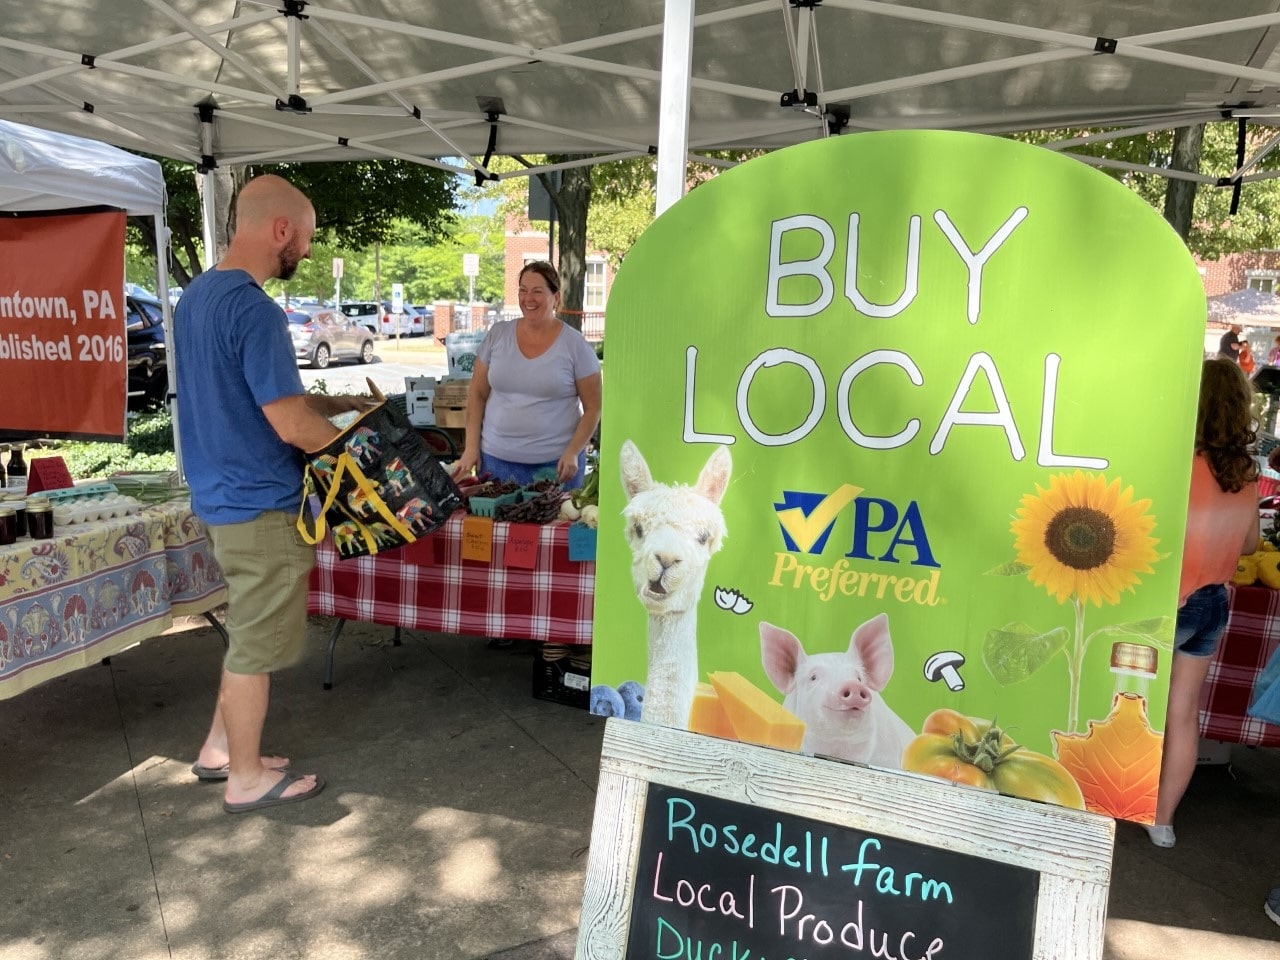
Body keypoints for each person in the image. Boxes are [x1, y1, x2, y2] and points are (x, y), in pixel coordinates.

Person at [176, 175, 373, 814]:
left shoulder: (199, 297)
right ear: (281, 229)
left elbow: (264, 399)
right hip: (260, 502)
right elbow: (288, 424)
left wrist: (339, 402)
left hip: (218, 495)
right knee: (258, 646)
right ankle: (245, 778)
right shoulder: (256, 309)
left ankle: (219, 751)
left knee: (245, 634)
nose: (308, 253)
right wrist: (357, 458)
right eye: (307, 239)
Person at [1146, 358, 1259, 847]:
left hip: (1165, 601)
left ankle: (1111, 803)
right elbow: (1252, 544)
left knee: (1126, 706)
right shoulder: (1245, 472)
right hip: (1214, 601)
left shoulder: (1174, 464)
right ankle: (1163, 822)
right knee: (1183, 714)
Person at [451, 261, 602, 489]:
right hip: (495, 462)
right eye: (523, 290)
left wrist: (573, 451)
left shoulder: (575, 345)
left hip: (555, 467)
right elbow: (477, 393)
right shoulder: (498, 335)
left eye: (537, 291)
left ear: (556, 297)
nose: (528, 298)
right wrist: (471, 448)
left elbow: (593, 408)